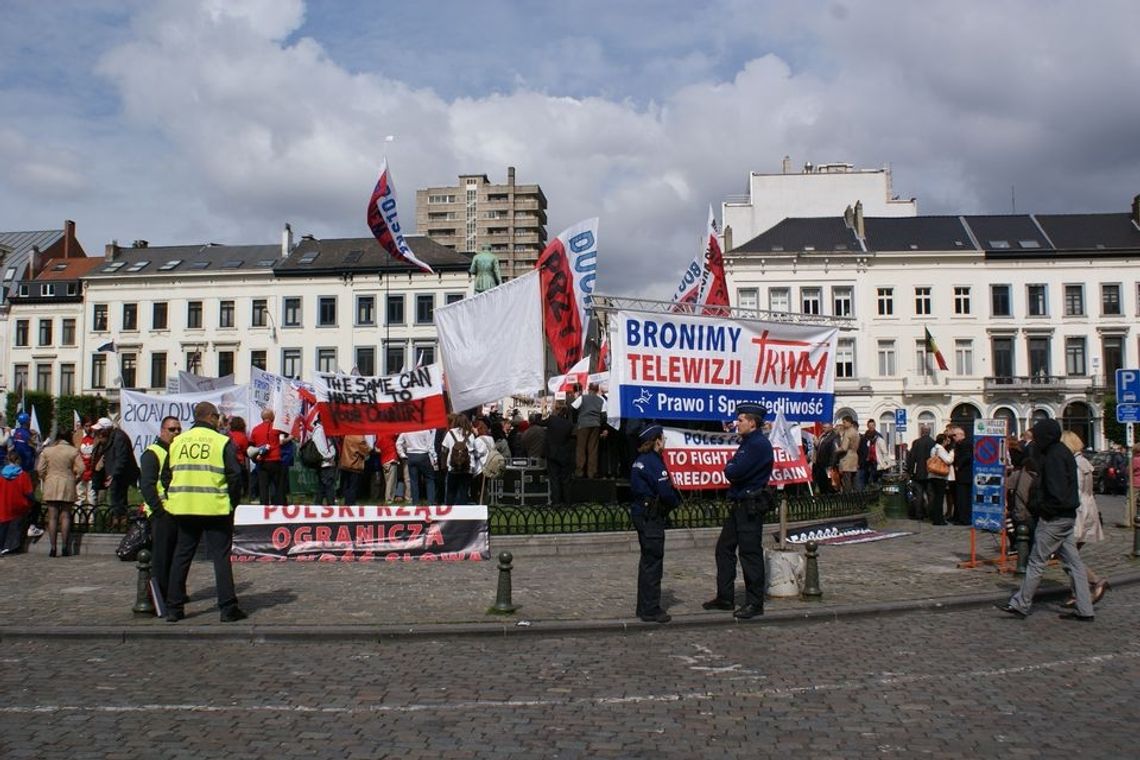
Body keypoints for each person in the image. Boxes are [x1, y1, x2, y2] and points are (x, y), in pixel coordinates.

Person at [997, 418, 1094, 622]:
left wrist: (1042, 509)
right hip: (1067, 515)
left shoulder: (1053, 457)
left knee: (1036, 561)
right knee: (1074, 564)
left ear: (1044, 437)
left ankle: (1020, 604)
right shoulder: (1063, 452)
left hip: (1054, 517)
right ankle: (1085, 609)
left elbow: (1055, 491)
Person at [165, 402, 246, 623]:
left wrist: (172, 499)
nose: (219, 420)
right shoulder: (220, 441)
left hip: (184, 507)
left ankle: (174, 608)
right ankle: (228, 608)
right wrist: (233, 502)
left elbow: (166, 475)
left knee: (181, 556)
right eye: (217, 416)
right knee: (220, 557)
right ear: (210, 417)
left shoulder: (177, 442)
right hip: (215, 508)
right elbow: (234, 475)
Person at [703, 403, 773, 620]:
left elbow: (734, 471)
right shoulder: (748, 443)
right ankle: (725, 596)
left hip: (750, 505)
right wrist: (731, 467)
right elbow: (732, 467)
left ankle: (754, 602)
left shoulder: (758, 444)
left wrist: (731, 467)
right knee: (724, 548)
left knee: (749, 554)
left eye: (741, 420)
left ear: (752, 423)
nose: (737, 423)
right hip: (739, 504)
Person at [628, 425, 679, 623]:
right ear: (657, 440)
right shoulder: (654, 462)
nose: (664, 441)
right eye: (663, 438)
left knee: (647, 562)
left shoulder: (640, 461)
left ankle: (644, 606)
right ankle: (650, 609)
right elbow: (665, 491)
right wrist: (675, 502)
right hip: (651, 516)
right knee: (653, 562)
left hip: (642, 513)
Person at [1062, 431, 1109, 607]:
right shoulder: (1084, 462)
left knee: (1068, 556)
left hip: (1079, 512)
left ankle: (1095, 581)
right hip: (1089, 510)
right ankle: (1077, 593)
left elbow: (1075, 491)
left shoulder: (1074, 465)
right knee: (1072, 555)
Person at [140, 416, 179, 602]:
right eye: (172, 429)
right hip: (161, 513)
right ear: (162, 430)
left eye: (179, 429)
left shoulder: (177, 451)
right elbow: (147, 485)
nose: (176, 433)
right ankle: (160, 598)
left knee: (175, 558)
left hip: (176, 511)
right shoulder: (152, 453)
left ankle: (174, 592)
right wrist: (158, 511)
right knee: (161, 559)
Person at [36, 428, 84, 557]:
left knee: (52, 517)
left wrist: (45, 478)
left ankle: (52, 547)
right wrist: (76, 480)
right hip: (67, 482)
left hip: (51, 482)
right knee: (66, 516)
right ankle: (65, 547)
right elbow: (81, 469)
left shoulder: (48, 451)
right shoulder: (73, 451)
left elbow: (39, 469)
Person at [95, 416, 138, 530]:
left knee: (118, 498)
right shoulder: (110, 437)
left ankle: (120, 522)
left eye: (100, 430)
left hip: (120, 475)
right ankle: (118, 520)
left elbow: (121, 458)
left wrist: (113, 474)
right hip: (114, 473)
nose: (98, 433)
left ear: (106, 429)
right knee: (116, 499)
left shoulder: (119, 437)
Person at [249, 410, 290, 506]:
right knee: (279, 487)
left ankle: (264, 509)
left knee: (263, 488)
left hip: (262, 462)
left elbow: (252, 445)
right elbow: (284, 437)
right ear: (272, 417)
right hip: (275, 461)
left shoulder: (255, 429)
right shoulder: (276, 428)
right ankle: (280, 507)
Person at [538, 403, 575, 505]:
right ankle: (567, 502)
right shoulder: (569, 425)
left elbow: (539, 421)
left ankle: (556, 502)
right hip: (564, 455)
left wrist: (543, 411)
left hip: (552, 453)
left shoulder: (552, 420)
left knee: (554, 479)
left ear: (556, 410)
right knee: (566, 480)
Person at [0, 449, 35, 555]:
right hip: (19, 505)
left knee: (3, 527)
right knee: (20, 524)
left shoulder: (1, 474)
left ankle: (2, 546)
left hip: (3, 505)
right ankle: (15, 545)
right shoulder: (23, 475)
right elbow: (28, 492)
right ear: (18, 460)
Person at [572, 383, 607, 479]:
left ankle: (580, 472)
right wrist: (602, 426)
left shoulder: (583, 398)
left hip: (583, 424)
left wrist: (577, 419)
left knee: (581, 449)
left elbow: (573, 408)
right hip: (596, 425)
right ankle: (592, 472)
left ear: (588, 389)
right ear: (597, 390)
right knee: (593, 449)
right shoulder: (601, 400)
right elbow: (604, 415)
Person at [397, 427, 438, 504]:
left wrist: (402, 454)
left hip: (411, 456)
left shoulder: (407, 429)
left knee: (413, 481)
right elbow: (430, 446)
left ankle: (415, 503)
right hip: (423, 455)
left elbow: (398, 443)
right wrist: (434, 457)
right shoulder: (425, 429)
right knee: (429, 479)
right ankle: (431, 502)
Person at [905, 425, 936, 519]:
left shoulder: (916, 442)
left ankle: (919, 514)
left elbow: (912, 458)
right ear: (929, 432)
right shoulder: (933, 443)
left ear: (921, 432)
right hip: (930, 473)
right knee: (931, 494)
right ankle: (931, 514)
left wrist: (909, 472)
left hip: (919, 473)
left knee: (919, 494)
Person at [309, 416, 338, 506]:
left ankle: (317, 506)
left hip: (326, 463)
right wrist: (330, 457)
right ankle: (331, 506)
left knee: (322, 487)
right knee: (329, 486)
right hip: (326, 463)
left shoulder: (322, 430)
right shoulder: (319, 431)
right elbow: (322, 449)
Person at [926, 433, 954, 526]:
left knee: (936, 498)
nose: (947, 442)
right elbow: (948, 460)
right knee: (939, 498)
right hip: (939, 476)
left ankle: (935, 517)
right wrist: (951, 453)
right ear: (943, 441)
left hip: (933, 475)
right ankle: (939, 519)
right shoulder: (940, 449)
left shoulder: (934, 448)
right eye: (947, 440)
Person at [949, 426, 973, 525]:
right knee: (960, 498)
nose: (953, 437)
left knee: (963, 498)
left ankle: (964, 519)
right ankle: (960, 517)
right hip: (961, 476)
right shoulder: (958, 444)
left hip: (964, 475)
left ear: (960, 435)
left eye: (954, 435)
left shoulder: (965, 443)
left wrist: (959, 465)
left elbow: (967, 456)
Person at [859, 419, 890, 488]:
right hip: (866, 462)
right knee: (865, 480)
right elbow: (861, 449)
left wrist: (885, 461)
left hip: (876, 462)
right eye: (869, 426)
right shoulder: (864, 437)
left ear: (875, 426)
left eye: (872, 425)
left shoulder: (878, 436)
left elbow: (883, 450)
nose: (871, 427)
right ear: (867, 426)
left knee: (875, 479)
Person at [227, 416, 251, 499]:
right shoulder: (243, 437)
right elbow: (245, 450)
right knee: (243, 478)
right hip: (239, 461)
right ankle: (245, 493)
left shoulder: (228, 435)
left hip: (229, 461)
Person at [836, 415, 860, 493]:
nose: (843, 424)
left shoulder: (848, 433)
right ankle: (855, 497)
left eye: (844, 422)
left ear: (849, 422)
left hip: (847, 459)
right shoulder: (856, 432)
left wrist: (836, 450)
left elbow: (844, 448)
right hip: (855, 456)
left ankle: (847, 499)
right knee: (854, 480)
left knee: (847, 480)